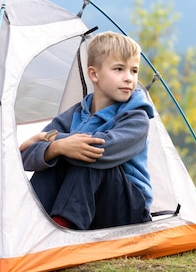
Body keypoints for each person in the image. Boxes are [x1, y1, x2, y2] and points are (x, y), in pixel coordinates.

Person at [20, 31, 155, 230]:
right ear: (94, 74)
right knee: (54, 160)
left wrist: (54, 140)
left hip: (128, 211)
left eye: (134, 71)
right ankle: (31, 226)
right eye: (119, 69)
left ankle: (62, 230)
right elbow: (25, 157)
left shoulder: (137, 117)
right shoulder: (75, 114)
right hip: (89, 207)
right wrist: (56, 148)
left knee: (87, 156)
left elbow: (100, 148)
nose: (129, 78)